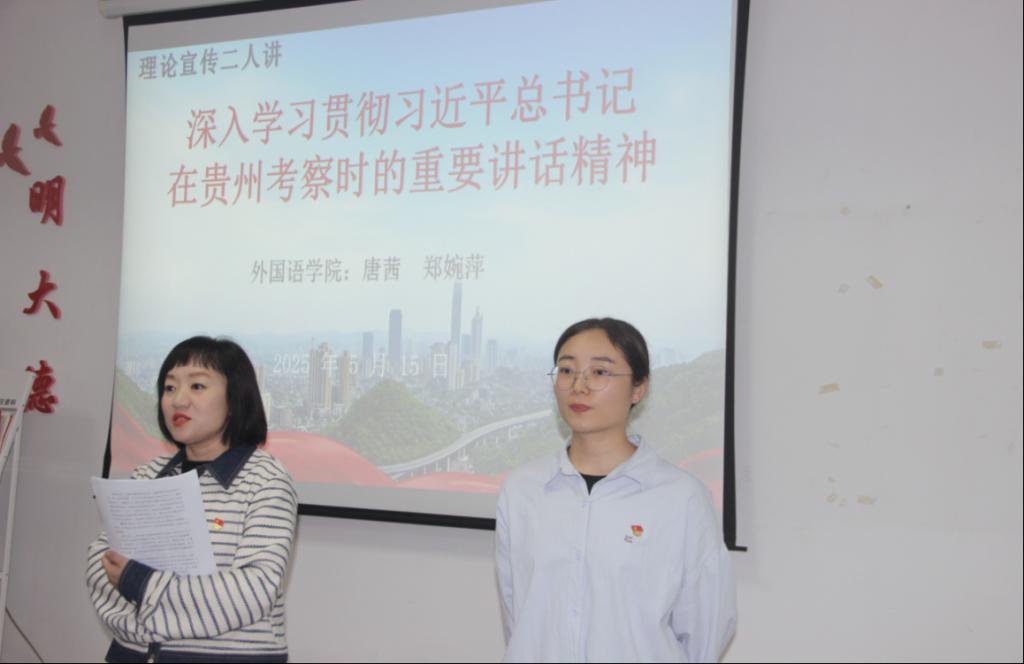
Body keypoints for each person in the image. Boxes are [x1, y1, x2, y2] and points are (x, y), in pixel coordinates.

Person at [495, 318, 736, 662]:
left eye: (600, 372)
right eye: (567, 370)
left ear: (639, 388)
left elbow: (706, 628)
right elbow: (519, 614)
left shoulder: (680, 498)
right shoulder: (522, 490)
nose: (579, 386)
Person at [87, 336, 297, 663]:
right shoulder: (148, 474)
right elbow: (102, 564)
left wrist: (141, 585)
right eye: (169, 388)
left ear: (234, 400)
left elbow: (252, 591)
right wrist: (154, 610)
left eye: (197, 386)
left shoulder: (266, 480)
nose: (178, 400)